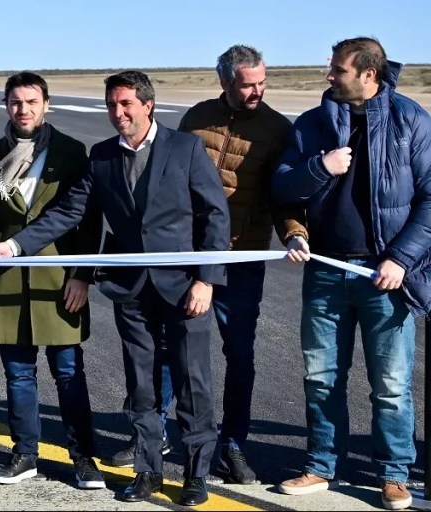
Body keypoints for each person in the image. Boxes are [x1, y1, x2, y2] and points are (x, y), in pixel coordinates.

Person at [0, 71, 230, 506]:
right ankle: (148, 472)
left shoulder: (185, 148)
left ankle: (195, 475)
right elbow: (69, 212)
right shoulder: (102, 158)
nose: (118, 113)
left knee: (194, 386)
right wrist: (15, 245)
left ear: (148, 105)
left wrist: (206, 279)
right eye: (112, 105)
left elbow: (215, 215)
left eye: (126, 105)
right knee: (142, 387)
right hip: (132, 291)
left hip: (185, 289)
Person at [272, 37, 431, 511]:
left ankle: (394, 474)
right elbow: (284, 188)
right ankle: (320, 463)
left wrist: (400, 260)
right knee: (320, 376)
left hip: (386, 275)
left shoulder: (410, 120)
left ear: (368, 74)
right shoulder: (312, 124)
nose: (328, 76)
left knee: (391, 384)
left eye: (338, 69)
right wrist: (319, 170)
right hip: (326, 270)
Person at [108, 45, 306, 483]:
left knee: (238, 354)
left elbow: (283, 195)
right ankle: (154, 434)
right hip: (184, 258)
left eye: (262, 82)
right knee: (164, 350)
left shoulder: (277, 129)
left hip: (240, 258)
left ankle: (232, 444)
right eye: (247, 84)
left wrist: (295, 232)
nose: (257, 91)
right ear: (225, 82)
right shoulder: (196, 118)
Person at [0, 71, 105, 489]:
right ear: (7, 106)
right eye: (16, 102)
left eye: (32, 102)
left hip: (59, 277)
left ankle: (84, 457)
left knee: (69, 371)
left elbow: (88, 220)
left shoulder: (71, 152)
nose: (24, 109)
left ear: (46, 104)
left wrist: (82, 275)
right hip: (11, 277)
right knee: (18, 374)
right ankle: (25, 453)